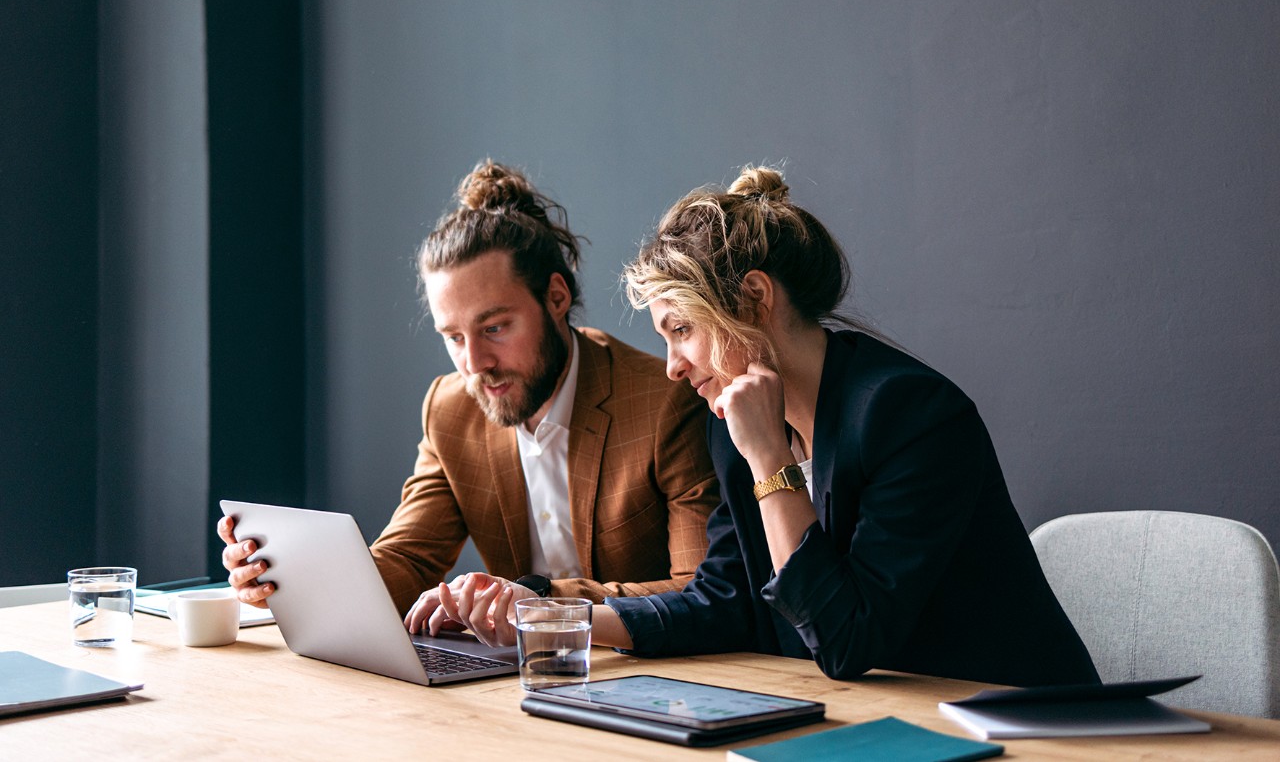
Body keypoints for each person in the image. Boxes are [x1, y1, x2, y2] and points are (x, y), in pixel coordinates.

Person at [432, 165, 1100, 688]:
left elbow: (848, 639)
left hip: (1019, 725)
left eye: (683, 330)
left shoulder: (910, 416)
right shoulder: (734, 423)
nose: (672, 366)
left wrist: (769, 460)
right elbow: (726, 602)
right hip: (880, 723)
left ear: (754, 297)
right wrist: (549, 619)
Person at [218, 160, 719, 631]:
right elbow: (408, 558)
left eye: (495, 327)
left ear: (557, 298)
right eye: (454, 338)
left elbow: (696, 589)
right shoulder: (450, 408)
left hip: (648, 678)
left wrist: (538, 598)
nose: (475, 363)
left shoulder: (665, 400)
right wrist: (290, 576)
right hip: (517, 681)